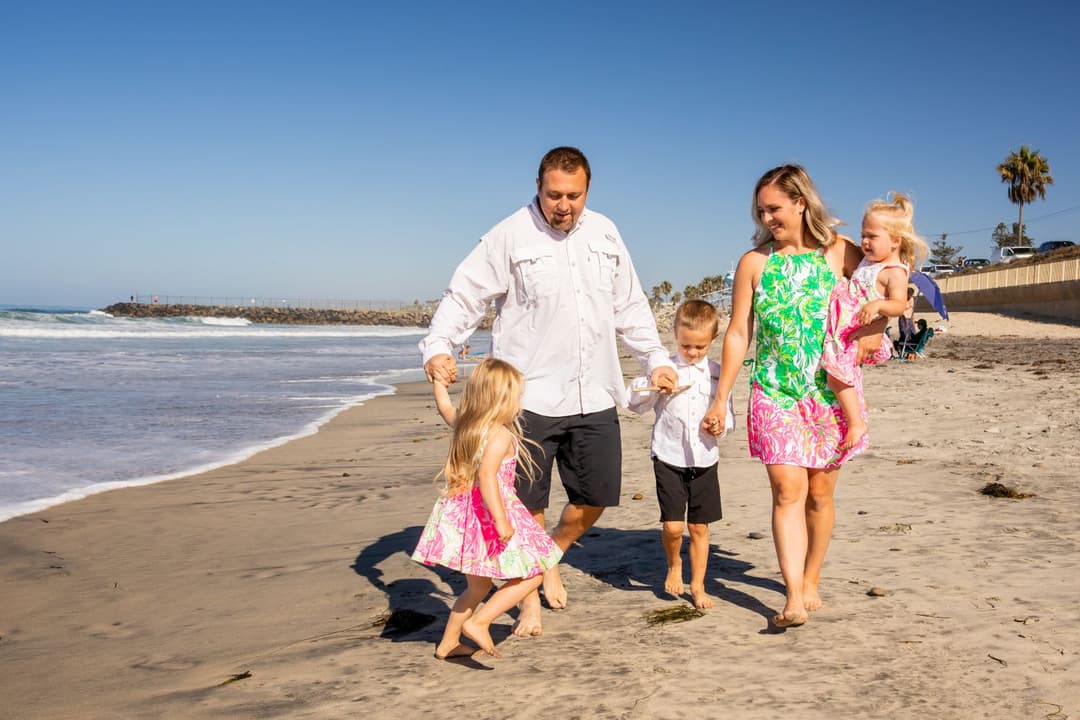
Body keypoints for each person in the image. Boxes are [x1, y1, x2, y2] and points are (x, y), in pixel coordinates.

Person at [420, 146, 677, 636]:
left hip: (596, 390)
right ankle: (530, 599)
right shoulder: (509, 234)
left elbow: (631, 306)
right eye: (554, 194)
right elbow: (464, 295)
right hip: (527, 397)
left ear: (588, 190)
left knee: (597, 496)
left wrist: (657, 360)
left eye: (574, 195)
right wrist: (438, 347)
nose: (564, 205)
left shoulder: (605, 232)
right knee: (526, 503)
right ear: (538, 188)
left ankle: (543, 559)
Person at [701, 165, 885, 628]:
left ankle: (811, 578)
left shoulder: (841, 253)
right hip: (774, 390)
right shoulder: (754, 263)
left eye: (775, 208)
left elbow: (890, 281)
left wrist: (878, 324)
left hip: (828, 392)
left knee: (820, 494)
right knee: (788, 490)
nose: (767, 218)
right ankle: (792, 597)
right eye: (761, 211)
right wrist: (721, 397)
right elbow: (740, 331)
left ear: (801, 203)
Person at [411, 358, 562, 659]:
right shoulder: (500, 434)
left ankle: (448, 643)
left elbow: (445, 408)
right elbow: (487, 476)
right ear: (501, 400)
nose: (519, 404)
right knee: (535, 571)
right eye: (516, 397)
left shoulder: (466, 424)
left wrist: (439, 385)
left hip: (466, 516)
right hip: (490, 514)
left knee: (477, 588)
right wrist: (502, 522)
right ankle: (480, 622)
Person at [626, 300, 734, 609]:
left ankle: (697, 584)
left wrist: (720, 427)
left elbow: (729, 415)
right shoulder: (664, 370)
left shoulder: (717, 374)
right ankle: (674, 563)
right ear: (675, 335)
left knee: (699, 527)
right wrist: (652, 385)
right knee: (674, 526)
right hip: (668, 456)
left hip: (704, 459)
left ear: (713, 340)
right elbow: (633, 401)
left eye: (700, 346)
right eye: (686, 345)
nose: (693, 352)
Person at [822, 193, 929, 450]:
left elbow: (899, 305)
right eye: (863, 235)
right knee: (839, 373)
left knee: (836, 376)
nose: (865, 242)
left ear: (895, 241)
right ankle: (856, 404)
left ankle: (857, 421)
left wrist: (878, 305)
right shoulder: (868, 262)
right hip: (850, 327)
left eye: (872, 236)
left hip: (861, 330)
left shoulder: (894, 272)